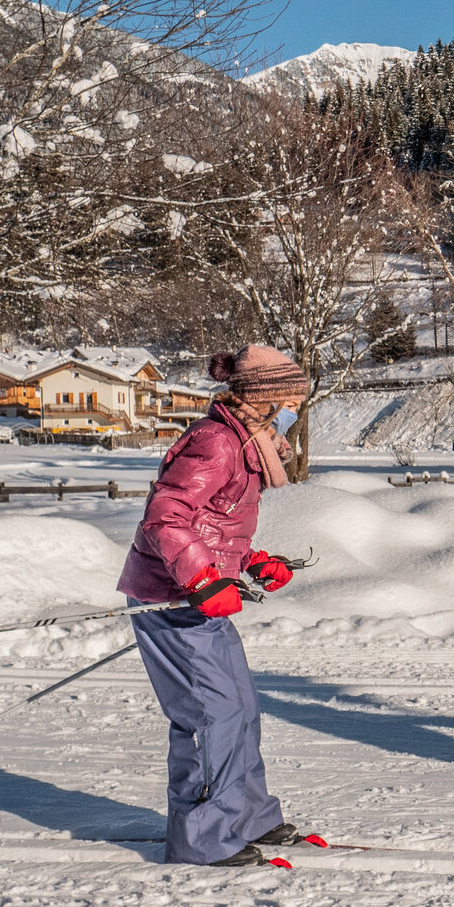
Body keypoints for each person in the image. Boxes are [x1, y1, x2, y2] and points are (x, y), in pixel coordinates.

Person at [118, 344, 309, 867]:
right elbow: (166, 517)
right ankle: (203, 838)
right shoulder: (217, 443)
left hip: (199, 596)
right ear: (263, 400)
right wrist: (204, 576)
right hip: (173, 598)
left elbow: (212, 524)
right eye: (290, 400)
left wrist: (250, 561)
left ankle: (247, 818)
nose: (294, 412)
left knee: (240, 709)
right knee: (210, 716)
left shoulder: (246, 443)